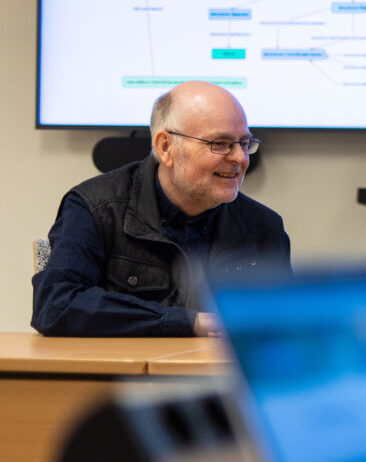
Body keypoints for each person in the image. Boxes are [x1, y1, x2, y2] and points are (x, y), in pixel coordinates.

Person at [31, 81, 290, 337]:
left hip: (218, 377)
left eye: (244, 143)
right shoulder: (96, 207)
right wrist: (189, 322)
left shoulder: (263, 227)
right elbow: (55, 305)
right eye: (220, 144)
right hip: (117, 376)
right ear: (165, 147)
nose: (240, 158)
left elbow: (286, 323)